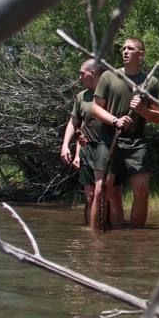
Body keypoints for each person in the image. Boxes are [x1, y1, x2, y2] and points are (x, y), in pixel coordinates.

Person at [90, 38, 159, 229]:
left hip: (136, 142)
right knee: (100, 190)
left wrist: (141, 110)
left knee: (142, 192)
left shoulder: (151, 82)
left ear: (141, 53)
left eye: (130, 48)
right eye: (123, 48)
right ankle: (95, 242)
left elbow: (157, 117)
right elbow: (95, 109)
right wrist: (115, 120)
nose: (125, 51)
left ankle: (138, 241)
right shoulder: (108, 77)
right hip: (108, 138)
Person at [60, 59, 107, 225]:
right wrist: (67, 146)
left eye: (82, 73)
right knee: (90, 196)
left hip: (108, 149)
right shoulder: (81, 97)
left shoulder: (109, 93)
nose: (80, 78)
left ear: (92, 73)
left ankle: (107, 232)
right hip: (87, 150)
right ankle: (91, 234)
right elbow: (75, 125)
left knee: (105, 196)